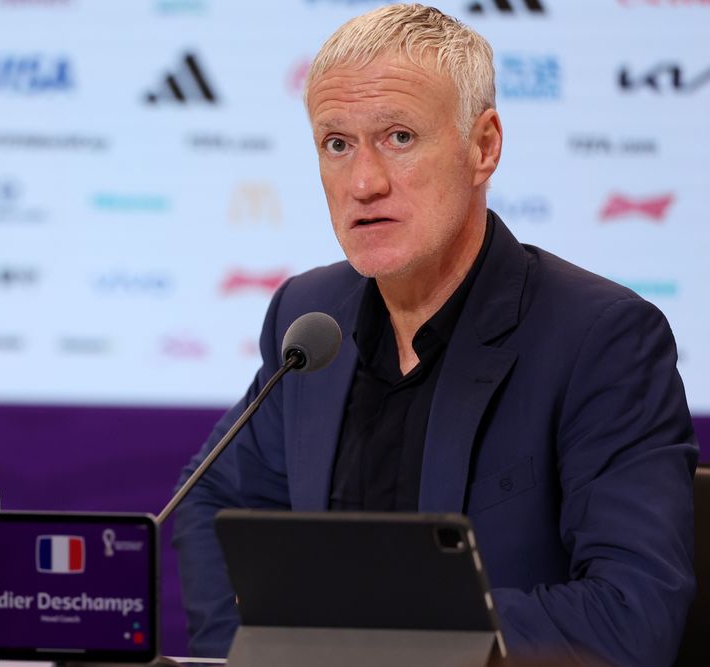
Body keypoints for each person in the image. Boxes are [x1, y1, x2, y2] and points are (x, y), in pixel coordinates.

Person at [171, 4, 697, 666]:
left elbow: (632, 614)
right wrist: (250, 654)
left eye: (398, 137)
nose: (364, 182)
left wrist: (379, 633)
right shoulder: (310, 316)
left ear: (484, 147)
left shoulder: (603, 340)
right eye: (337, 144)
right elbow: (210, 500)